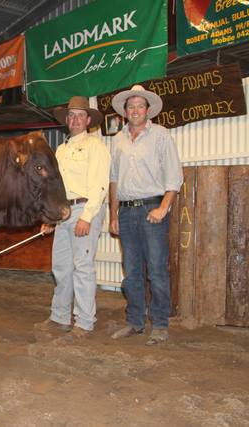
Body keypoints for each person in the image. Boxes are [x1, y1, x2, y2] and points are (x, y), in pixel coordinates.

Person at [108, 85, 183, 345]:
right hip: (126, 212)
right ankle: (135, 321)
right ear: (125, 112)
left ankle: (160, 324)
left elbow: (174, 177)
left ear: (148, 110)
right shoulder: (117, 140)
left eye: (140, 106)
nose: (135, 110)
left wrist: (163, 207)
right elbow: (114, 181)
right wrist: (114, 215)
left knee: (157, 270)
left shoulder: (161, 135)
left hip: (152, 209)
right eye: (131, 106)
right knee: (131, 272)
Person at [37, 96, 111, 339]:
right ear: (67, 120)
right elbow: (56, 187)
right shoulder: (61, 150)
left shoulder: (96, 147)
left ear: (88, 120)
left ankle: (85, 321)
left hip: (84, 209)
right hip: (63, 212)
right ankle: (59, 316)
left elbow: (100, 185)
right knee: (61, 267)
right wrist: (50, 217)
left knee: (82, 267)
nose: (76, 120)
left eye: (81, 115)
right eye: (72, 116)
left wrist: (87, 217)